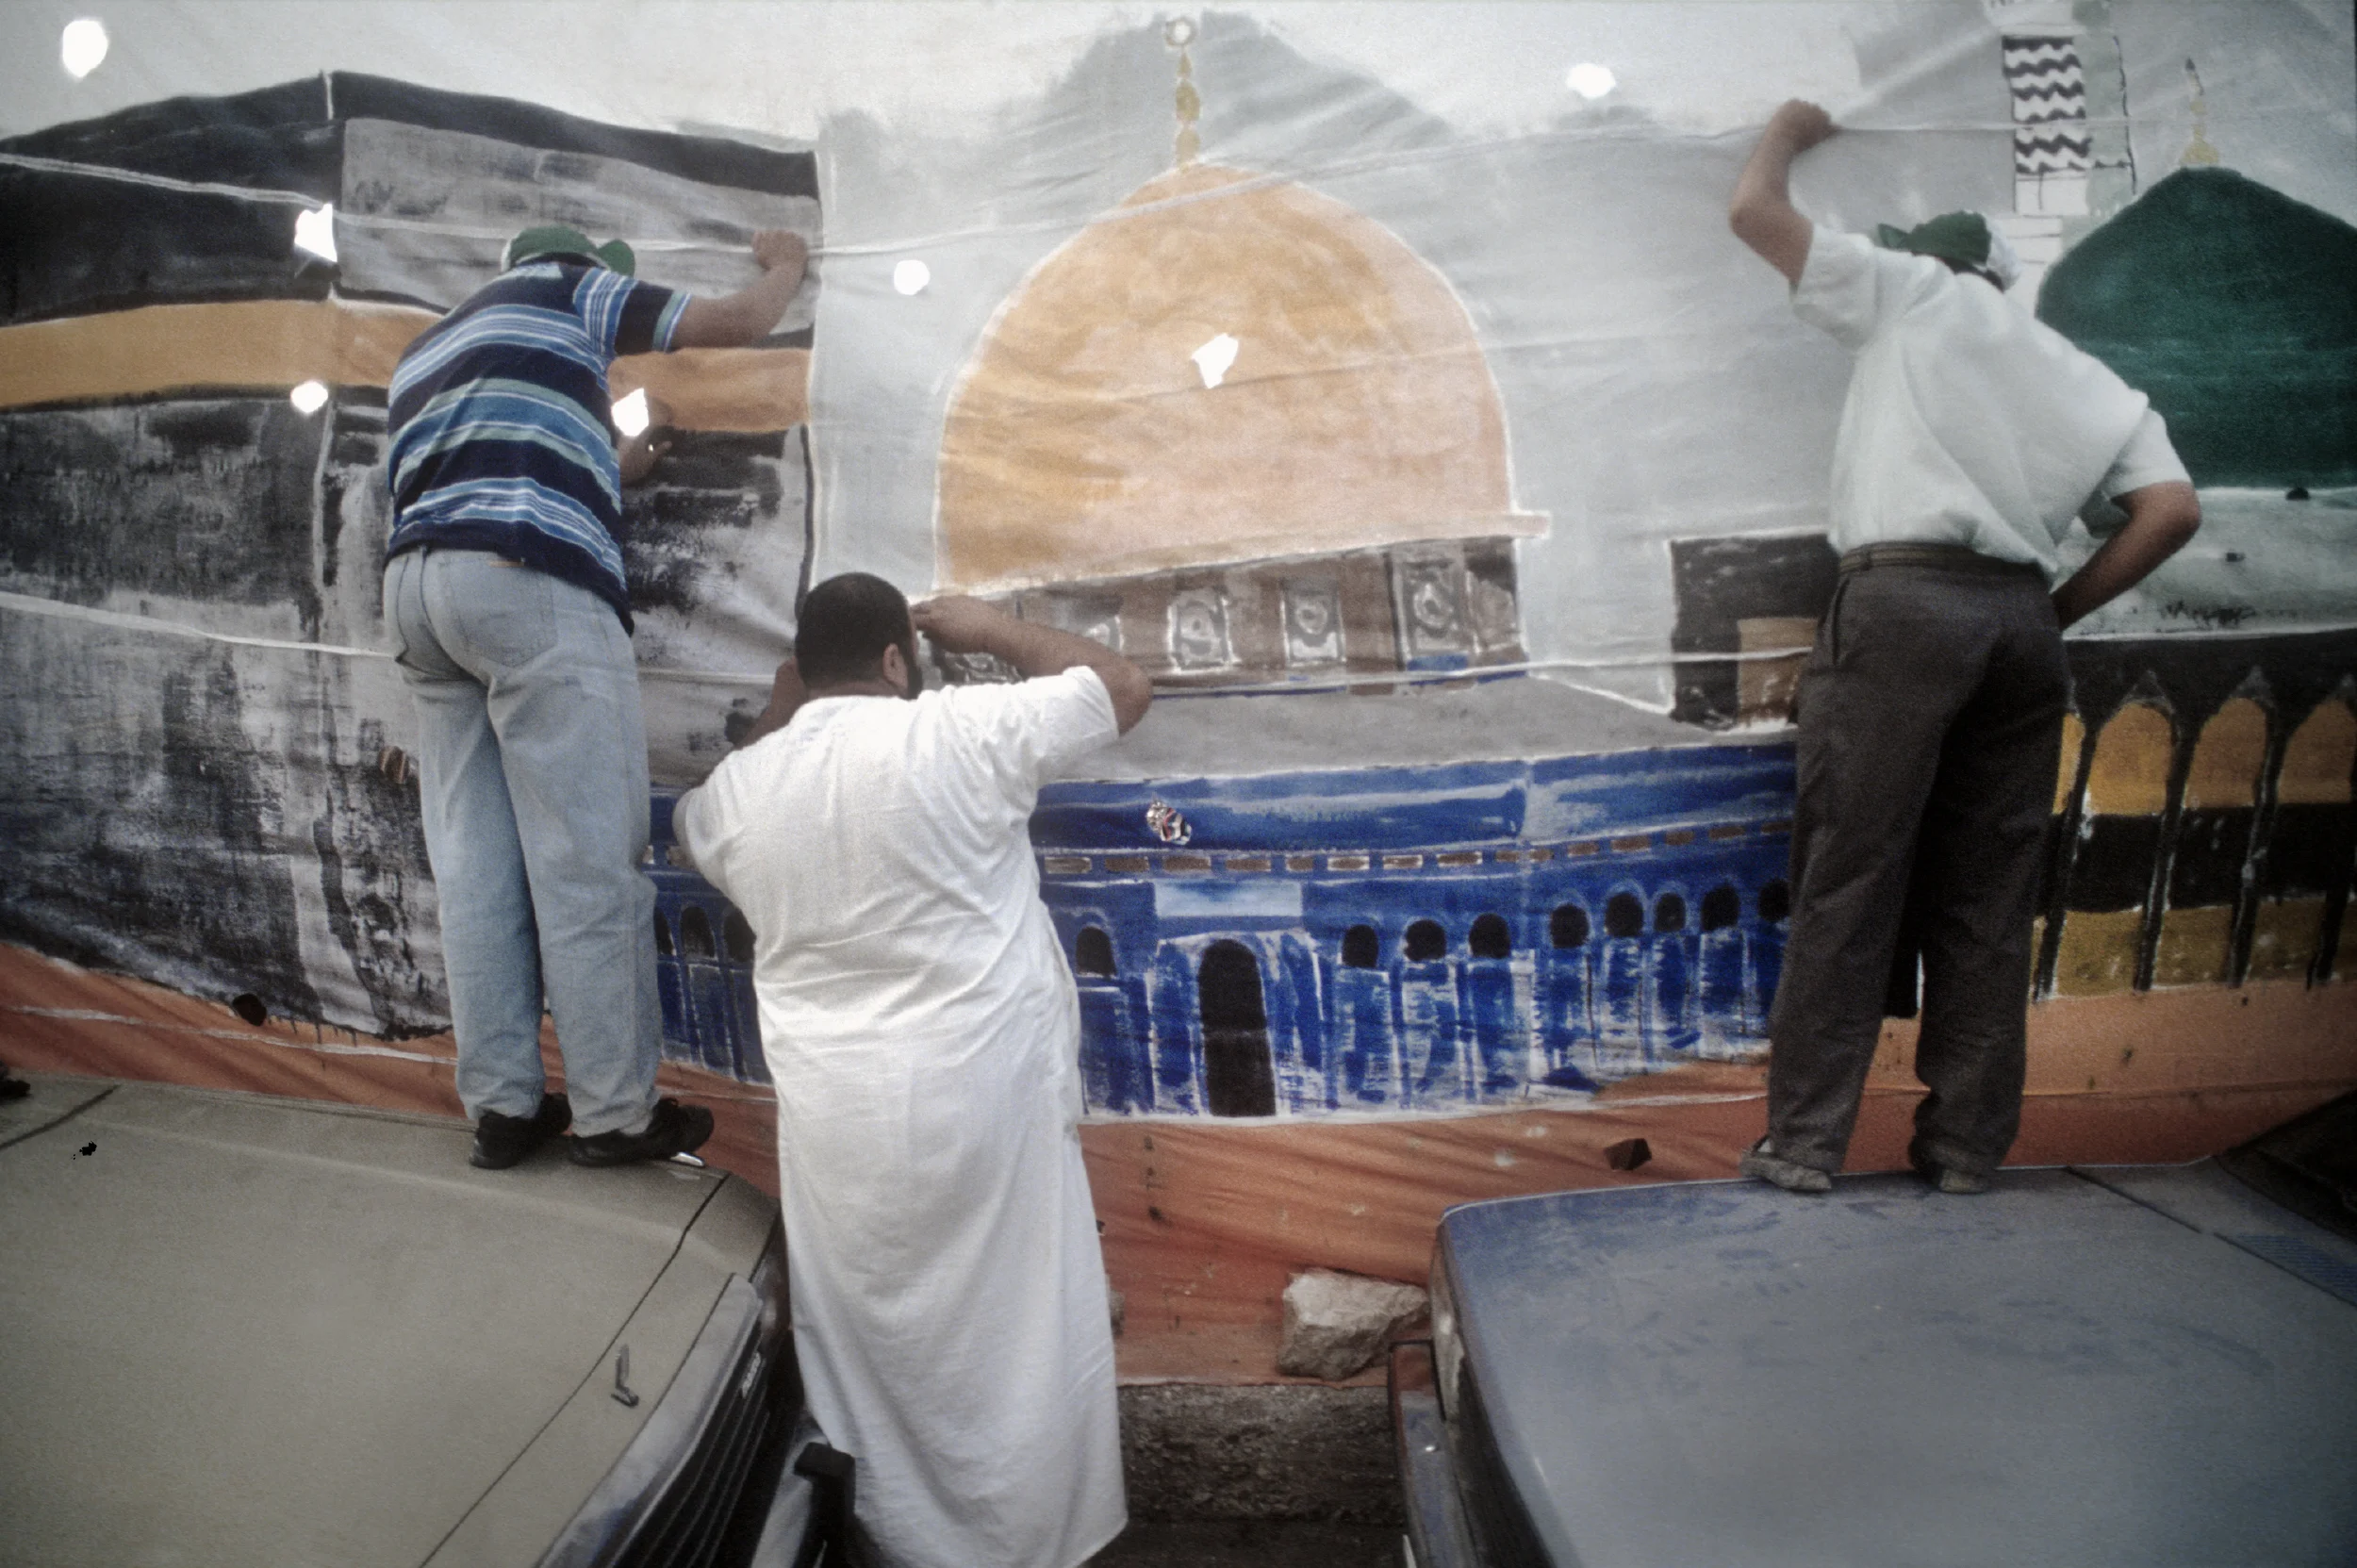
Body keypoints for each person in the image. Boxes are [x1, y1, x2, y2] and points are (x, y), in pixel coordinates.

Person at [1727, 101, 2201, 1196]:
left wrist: (1789, 133)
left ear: (1934, 265)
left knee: (1851, 875)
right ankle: (1962, 1152)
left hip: (1901, 608)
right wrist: (2054, 610)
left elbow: (1754, 212)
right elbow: (2170, 510)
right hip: (2017, 625)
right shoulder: (2078, 371)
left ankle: (1804, 1144)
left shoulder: (1909, 295)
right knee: (1986, 899)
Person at [670, 575, 1151, 1568]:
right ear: (897, 659)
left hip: (840, 1118)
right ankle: (1027, 1545)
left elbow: (709, 810)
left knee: (875, 1352)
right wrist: (994, 629)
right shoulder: (956, 730)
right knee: (1013, 1339)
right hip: (986, 1097)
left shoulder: (736, 794)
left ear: (806, 669)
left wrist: (779, 704)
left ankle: (898, 1545)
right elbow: (1120, 686)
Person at [382, 221, 808, 1169]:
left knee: (477, 871)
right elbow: (734, 321)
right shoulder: (572, 289)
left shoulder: (426, 351)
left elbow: (471, 484)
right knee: (585, 860)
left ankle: (501, 1108)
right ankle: (615, 1114)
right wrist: (786, 265)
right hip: (529, 586)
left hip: (418, 593)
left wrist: (618, 470)